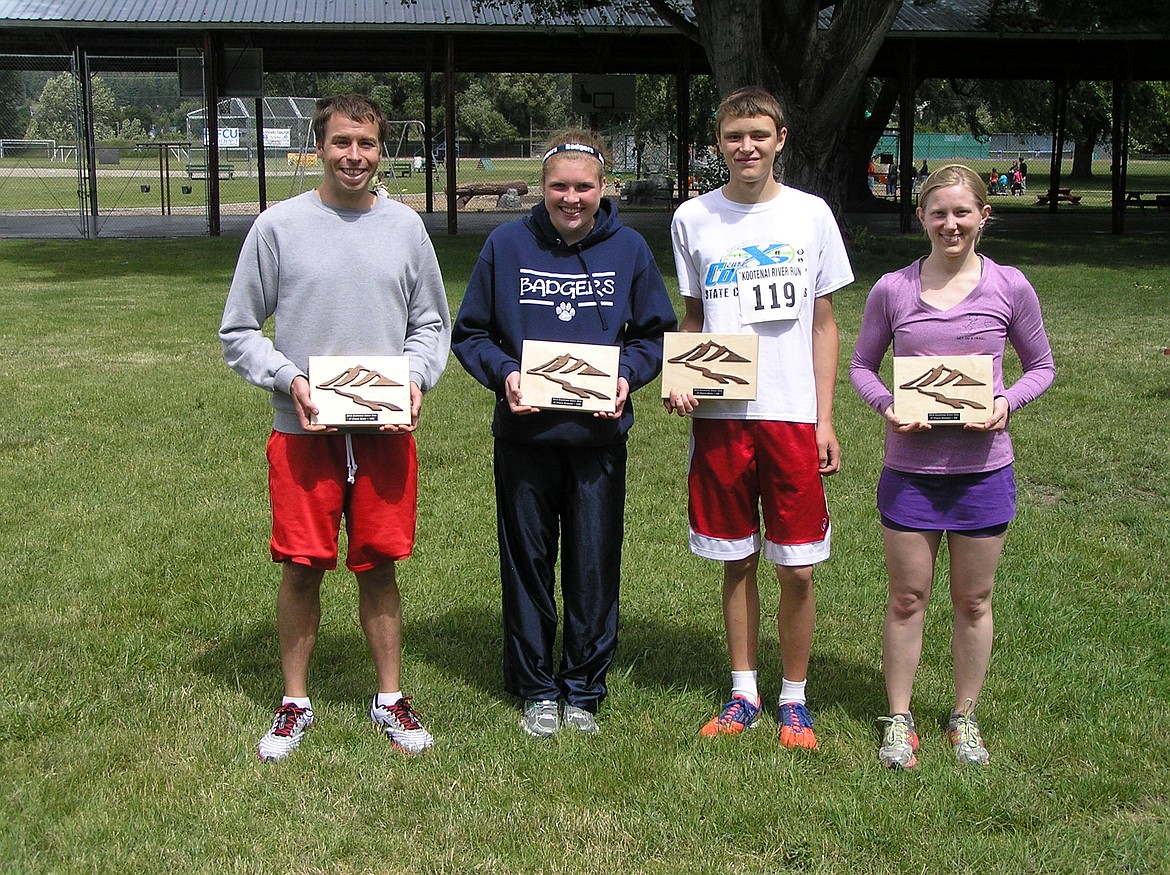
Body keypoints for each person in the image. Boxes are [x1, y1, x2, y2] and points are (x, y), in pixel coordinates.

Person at [219, 94, 451, 762]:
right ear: (318, 146)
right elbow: (238, 331)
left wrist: (414, 378)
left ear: (382, 151)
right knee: (301, 567)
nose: (356, 156)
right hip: (304, 432)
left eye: (368, 144)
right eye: (343, 142)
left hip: (383, 432)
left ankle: (389, 696)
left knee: (378, 565)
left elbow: (431, 324)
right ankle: (294, 701)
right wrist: (290, 378)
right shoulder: (278, 227)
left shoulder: (406, 229)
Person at [452, 129, 676, 738]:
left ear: (604, 189)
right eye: (559, 187)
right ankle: (535, 687)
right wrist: (506, 377)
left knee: (593, 564)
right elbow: (470, 333)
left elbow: (655, 332)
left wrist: (629, 376)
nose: (571, 198)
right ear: (542, 188)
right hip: (525, 436)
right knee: (526, 561)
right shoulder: (506, 244)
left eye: (584, 187)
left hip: (597, 438)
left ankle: (582, 687)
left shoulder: (627, 248)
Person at [665, 86, 854, 750]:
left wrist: (824, 417)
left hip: (790, 414)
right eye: (733, 136)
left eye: (758, 134)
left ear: (780, 139)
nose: (746, 146)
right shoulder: (693, 218)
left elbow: (825, 324)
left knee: (798, 566)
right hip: (722, 416)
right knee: (736, 557)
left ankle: (794, 699)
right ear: (718, 143)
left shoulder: (811, 215)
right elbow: (694, 318)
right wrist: (682, 378)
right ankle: (744, 690)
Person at [849, 164, 1054, 768]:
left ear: (984, 217)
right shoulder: (892, 289)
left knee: (974, 601)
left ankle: (964, 718)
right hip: (910, 470)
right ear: (922, 218)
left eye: (962, 212)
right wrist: (888, 405)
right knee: (907, 598)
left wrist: (1004, 402)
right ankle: (899, 717)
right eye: (938, 213)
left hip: (983, 471)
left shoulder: (1010, 286)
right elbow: (862, 365)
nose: (951, 224)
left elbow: (1041, 366)